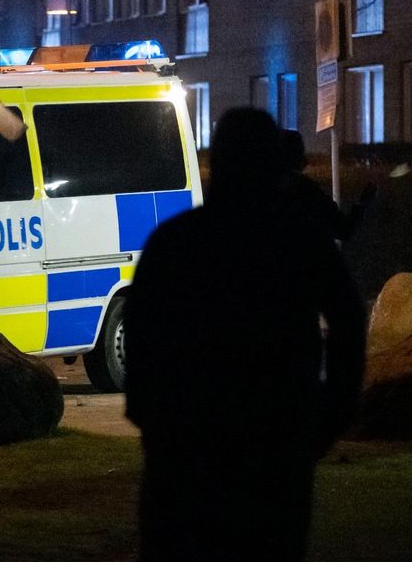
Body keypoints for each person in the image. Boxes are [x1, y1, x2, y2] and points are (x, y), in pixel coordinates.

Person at [124, 108, 366, 562]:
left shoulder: (174, 242)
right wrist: (329, 415)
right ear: (275, 166)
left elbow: (141, 339)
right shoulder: (300, 242)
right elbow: (350, 322)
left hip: (186, 452)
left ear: (217, 163)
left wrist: (153, 417)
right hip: (275, 447)